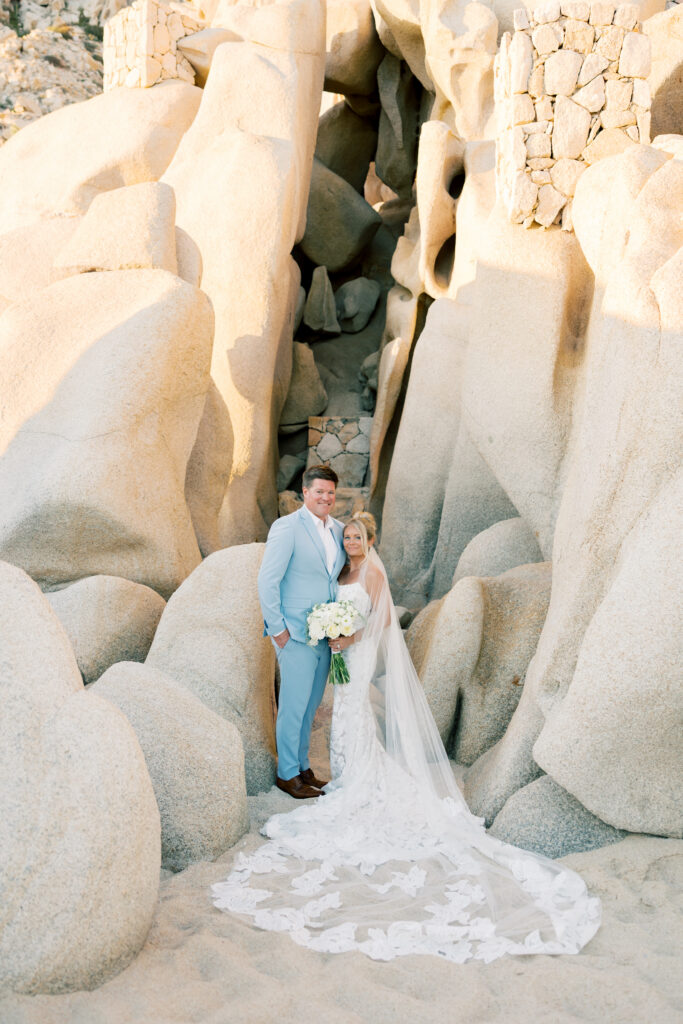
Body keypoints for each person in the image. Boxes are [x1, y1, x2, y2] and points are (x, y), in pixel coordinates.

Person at [214, 512, 601, 964]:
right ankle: (344, 775)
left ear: (370, 539)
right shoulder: (342, 570)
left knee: (353, 710)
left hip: (355, 653)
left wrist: (348, 635)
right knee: (342, 716)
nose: (353, 541)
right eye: (349, 536)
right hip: (340, 649)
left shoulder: (373, 574)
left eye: (359, 536)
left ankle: (357, 778)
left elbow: (378, 623)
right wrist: (329, 629)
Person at [257, 464, 345, 799]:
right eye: (319, 491)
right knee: (293, 706)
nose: (326, 497)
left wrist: (341, 624)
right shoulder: (287, 527)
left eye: (330, 492)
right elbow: (268, 580)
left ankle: (303, 767)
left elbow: (333, 578)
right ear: (305, 493)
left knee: (310, 707)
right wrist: (278, 630)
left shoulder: (338, 530)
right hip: (294, 632)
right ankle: (286, 774)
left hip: (326, 633)